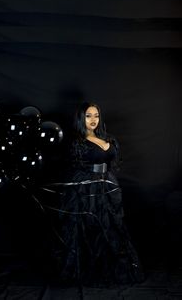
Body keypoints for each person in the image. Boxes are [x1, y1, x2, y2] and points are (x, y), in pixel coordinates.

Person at [45, 102, 144, 287]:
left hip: (108, 186)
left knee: (111, 226)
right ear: (81, 119)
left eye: (96, 115)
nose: (93, 119)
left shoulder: (109, 138)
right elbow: (74, 166)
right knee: (89, 227)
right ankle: (85, 272)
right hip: (86, 189)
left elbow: (112, 162)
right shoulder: (77, 142)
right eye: (88, 115)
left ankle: (110, 270)